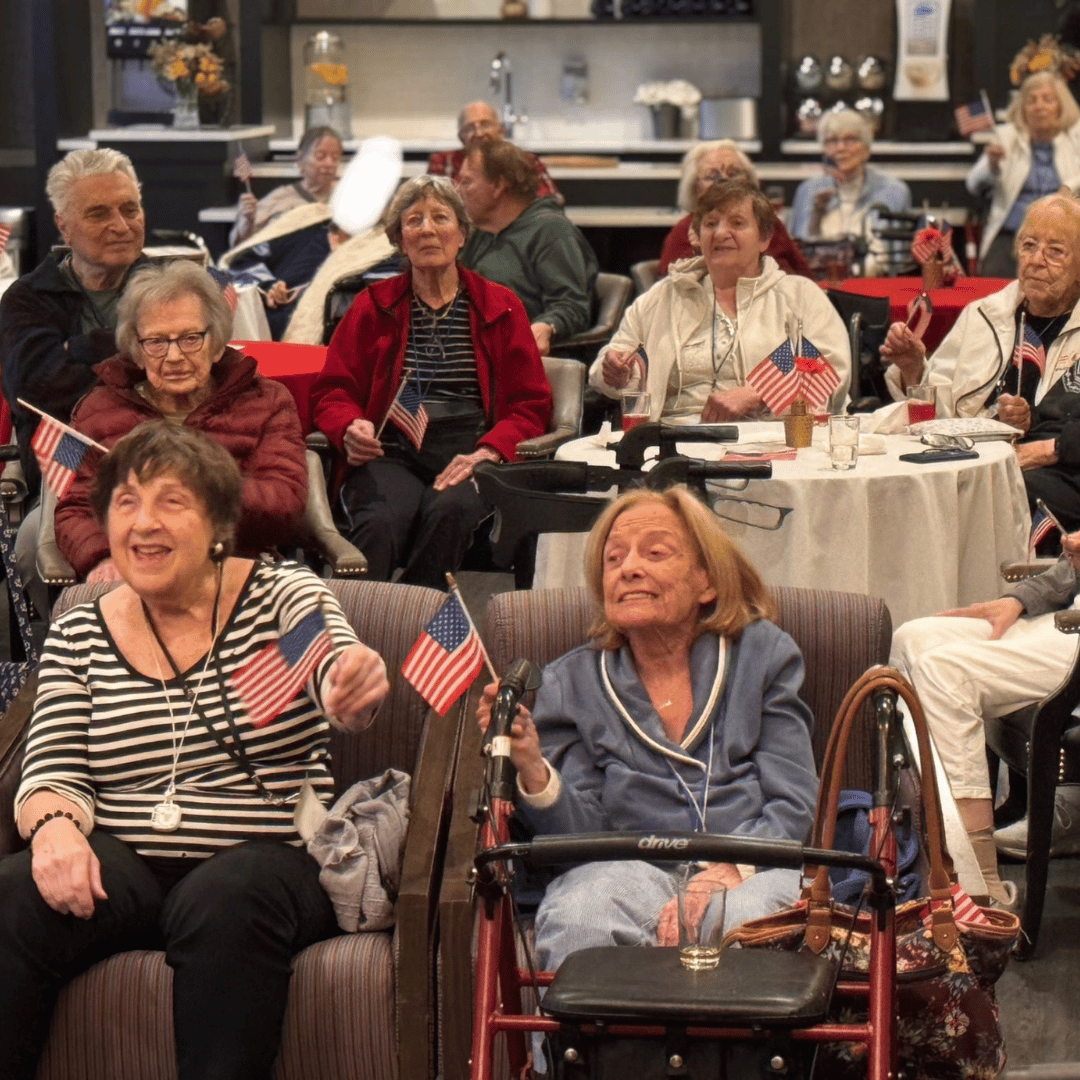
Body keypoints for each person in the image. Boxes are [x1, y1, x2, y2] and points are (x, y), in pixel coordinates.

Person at [0, 421, 390, 1080]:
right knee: (14, 893)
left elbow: (333, 673)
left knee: (224, 900)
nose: (143, 523)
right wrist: (55, 829)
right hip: (124, 858)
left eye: (170, 502)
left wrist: (353, 685)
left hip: (262, 857)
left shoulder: (282, 599)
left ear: (217, 523)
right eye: (126, 503)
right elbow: (51, 768)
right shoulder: (79, 628)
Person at [476, 486, 817, 982]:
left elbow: (793, 799)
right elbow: (580, 840)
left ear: (707, 581)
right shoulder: (569, 683)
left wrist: (730, 871)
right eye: (614, 559)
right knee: (580, 915)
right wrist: (532, 766)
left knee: (755, 923)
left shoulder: (763, 654)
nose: (628, 568)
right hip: (624, 869)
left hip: (750, 865)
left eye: (655, 553)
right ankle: (588, 1061)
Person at [310, 174, 552, 589]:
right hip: (391, 450)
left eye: (440, 218)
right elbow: (333, 390)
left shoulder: (501, 307)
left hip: (470, 448)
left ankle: (410, 625)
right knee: (382, 519)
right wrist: (350, 425)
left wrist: (489, 452)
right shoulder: (372, 306)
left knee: (451, 511)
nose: (427, 229)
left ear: (462, 235)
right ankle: (350, 632)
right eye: (413, 220)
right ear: (400, 240)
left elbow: (529, 404)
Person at [55, 260, 309, 581]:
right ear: (137, 349)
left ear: (216, 344)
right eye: (157, 342)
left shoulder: (266, 401)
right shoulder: (98, 407)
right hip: (134, 573)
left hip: (231, 567)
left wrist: (192, 489)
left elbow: (284, 503)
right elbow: (74, 509)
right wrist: (103, 557)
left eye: (190, 338)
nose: (174, 356)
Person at [890, 530, 1080, 906]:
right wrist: (1020, 598)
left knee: (946, 671)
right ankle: (926, 841)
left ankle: (977, 882)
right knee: (912, 638)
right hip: (1066, 620)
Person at [880, 193, 1080, 535]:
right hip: (969, 460)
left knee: (991, 499)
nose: (1036, 260)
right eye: (1029, 245)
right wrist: (914, 369)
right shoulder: (985, 314)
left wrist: (1052, 448)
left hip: (1057, 472)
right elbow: (937, 415)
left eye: (1055, 251)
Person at [590, 179, 850, 422]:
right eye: (711, 223)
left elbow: (827, 370)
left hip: (770, 440)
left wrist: (758, 394)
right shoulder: (663, 297)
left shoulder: (799, 296)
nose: (720, 233)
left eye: (737, 223)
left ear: (764, 239)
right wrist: (619, 373)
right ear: (697, 235)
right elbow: (611, 364)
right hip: (672, 442)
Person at [0, 147, 146, 502]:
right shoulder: (26, 299)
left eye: (131, 209)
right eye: (99, 214)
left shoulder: (173, 283)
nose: (121, 226)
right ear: (64, 227)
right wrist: (135, 352)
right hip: (67, 457)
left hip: (164, 449)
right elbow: (37, 393)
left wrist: (79, 349)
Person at [457, 139, 598, 356]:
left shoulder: (551, 231)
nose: (458, 191)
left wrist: (547, 326)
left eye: (467, 182)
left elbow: (573, 306)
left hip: (519, 362)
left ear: (498, 186)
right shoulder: (482, 232)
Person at [966, 71, 1080, 278]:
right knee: (996, 287)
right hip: (1011, 235)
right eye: (1032, 101)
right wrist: (991, 165)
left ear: (1061, 106)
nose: (1039, 106)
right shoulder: (1007, 138)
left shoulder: (1075, 139)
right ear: (1023, 109)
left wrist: (1070, 187)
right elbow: (972, 183)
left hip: (1063, 238)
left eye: (1048, 100)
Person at [658, 140, 812, 279]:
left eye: (734, 173)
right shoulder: (684, 231)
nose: (725, 181)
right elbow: (671, 290)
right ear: (694, 188)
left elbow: (807, 279)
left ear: (749, 181)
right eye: (712, 176)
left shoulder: (769, 222)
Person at [789, 109, 911, 273]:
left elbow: (898, 260)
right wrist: (816, 215)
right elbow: (797, 256)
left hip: (875, 286)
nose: (841, 147)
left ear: (866, 150)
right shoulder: (808, 191)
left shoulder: (894, 191)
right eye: (832, 140)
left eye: (850, 139)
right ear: (824, 150)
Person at [228, 126, 343, 248]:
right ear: (300, 159)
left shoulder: (348, 196)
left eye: (335, 158)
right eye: (320, 156)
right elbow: (239, 246)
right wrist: (247, 223)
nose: (329, 163)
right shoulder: (282, 198)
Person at [427, 99, 562, 202]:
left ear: (501, 130)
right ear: (461, 137)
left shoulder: (526, 161)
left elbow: (551, 201)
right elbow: (432, 205)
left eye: (485, 125)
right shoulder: (443, 161)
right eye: (469, 128)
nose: (479, 133)